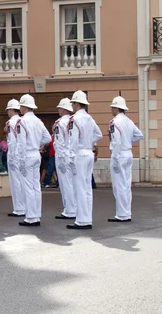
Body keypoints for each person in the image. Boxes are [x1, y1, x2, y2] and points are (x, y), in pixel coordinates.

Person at [66, 90, 102, 230]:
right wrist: (88, 141)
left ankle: (81, 220)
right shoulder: (89, 118)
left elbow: (73, 140)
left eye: (73, 103)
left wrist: (71, 156)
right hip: (88, 152)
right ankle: (87, 218)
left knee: (79, 188)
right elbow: (98, 134)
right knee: (87, 188)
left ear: (76, 103)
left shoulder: (74, 119)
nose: (72, 106)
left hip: (79, 154)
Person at [16, 94, 51, 227]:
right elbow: (47, 138)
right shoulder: (38, 121)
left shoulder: (22, 121)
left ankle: (31, 217)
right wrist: (37, 144)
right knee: (36, 186)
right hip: (36, 154)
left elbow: (21, 143)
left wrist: (21, 160)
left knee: (28, 187)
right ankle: (36, 214)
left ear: (24, 106)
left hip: (27, 155)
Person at [108, 96, 144, 223]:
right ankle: (126, 212)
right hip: (128, 153)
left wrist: (116, 157)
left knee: (118, 186)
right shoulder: (129, 121)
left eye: (112, 107)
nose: (111, 109)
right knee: (126, 185)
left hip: (119, 155)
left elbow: (116, 141)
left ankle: (121, 214)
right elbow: (139, 135)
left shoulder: (115, 122)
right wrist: (128, 142)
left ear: (117, 108)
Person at [53, 98, 75, 219]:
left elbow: (59, 142)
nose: (58, 110)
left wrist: (61, 158)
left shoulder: (60, 123)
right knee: (72, 183)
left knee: (65, 183)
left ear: (64, 109)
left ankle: (69, 210)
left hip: (63, 155)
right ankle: (73, 208)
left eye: (60, 108)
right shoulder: (73, 121)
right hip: (72, 154)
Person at [4, 98, 26, 218]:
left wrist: (11, 156)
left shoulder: (12, 123)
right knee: (22, 182)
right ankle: (23, 206)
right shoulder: (22, 120)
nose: (7, 112)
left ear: (12, 110)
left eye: (8, 109)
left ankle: (19, 208)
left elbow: (12, 141)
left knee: (15, 182)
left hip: (14, 154)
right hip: (22, 154)